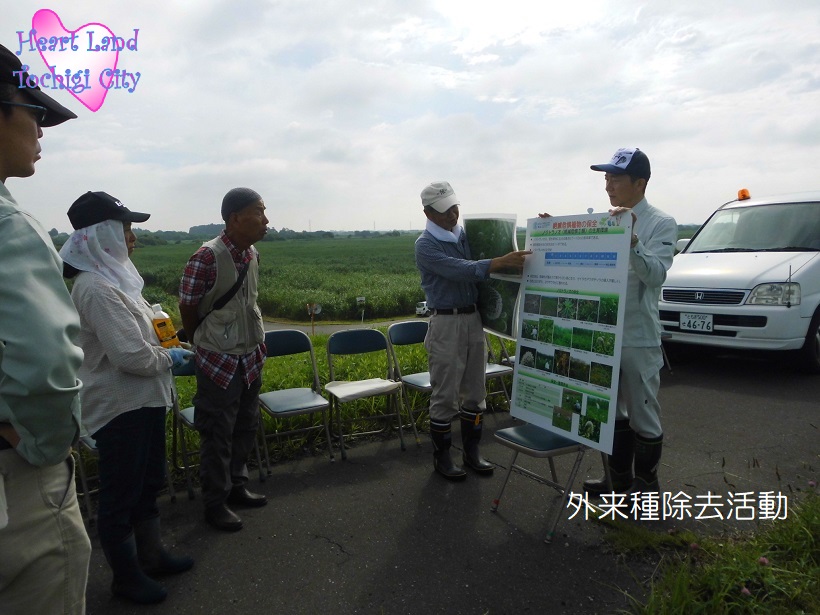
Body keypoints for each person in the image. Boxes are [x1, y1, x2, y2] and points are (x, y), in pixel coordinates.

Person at [59, 191, 195, 603]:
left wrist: (166, 340)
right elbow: (130, 355)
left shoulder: (117, 280)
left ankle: (151, 556)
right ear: (102, 235)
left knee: (147, 482)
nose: (132, 237)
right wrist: (169, 357)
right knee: (120, 495)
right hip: (120, 410)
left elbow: (139, 339)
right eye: (126, 228)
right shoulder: (96, 288)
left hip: (144, 403)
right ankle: (126, 576)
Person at [0, 43, 91, 614]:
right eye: (32, 112)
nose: (41, 129)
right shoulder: (11, 226)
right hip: (18, 484)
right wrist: (47, 447)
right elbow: (49, 367)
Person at [415, 181, 530, 480]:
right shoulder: (425, 245)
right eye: (443, 211)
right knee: (445, 393)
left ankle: (472, 452)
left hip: (473, 319)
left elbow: (501, 249)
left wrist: (539, 232)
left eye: (455, 207)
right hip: (446, 323)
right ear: (427, 213)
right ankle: (442, 458)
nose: (452, 214)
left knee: (475, 391)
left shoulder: (466, 236)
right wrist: (497, 263)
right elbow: (460, 269)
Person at [581, 147, 677, 494]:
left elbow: (655, 275)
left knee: (643, 414)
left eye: (616, 178)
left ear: (640, 183)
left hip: (638, 335)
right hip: (604, 332)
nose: (609, 185)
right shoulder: (605, 221)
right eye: (606, 178)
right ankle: (617, 479)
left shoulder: (661, 223)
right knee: (612, 412)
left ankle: (647, 487)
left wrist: (632, 238)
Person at [179, 187, 269, 531]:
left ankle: (237, 486)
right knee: (217, 432)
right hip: (218, 359)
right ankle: (214, 503)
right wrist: (203, 341)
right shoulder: (205, 258)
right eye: (258, 212)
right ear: (234, 219)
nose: (265, 220)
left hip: (250, 354)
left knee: (246, 424)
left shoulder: (251, 254)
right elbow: (188, 308)